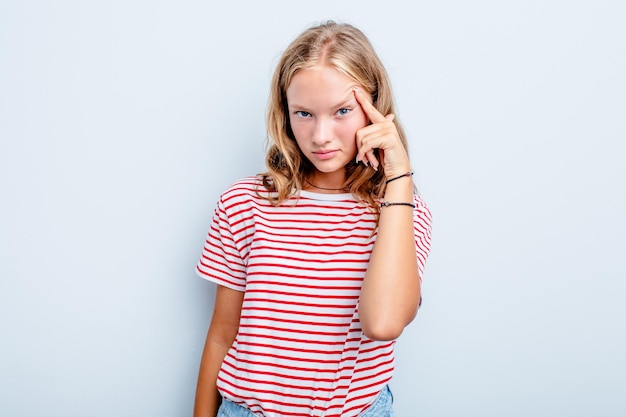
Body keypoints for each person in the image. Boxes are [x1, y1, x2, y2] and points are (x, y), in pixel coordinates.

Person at [193, 21, 432, 417]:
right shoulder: (244, 203)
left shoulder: (401, 212)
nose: (321, 135)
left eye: (342, 111)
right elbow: (221, 335)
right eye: (304, 113)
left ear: (375, 109)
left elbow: (384, 323)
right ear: (285, 114)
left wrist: (399, 179)